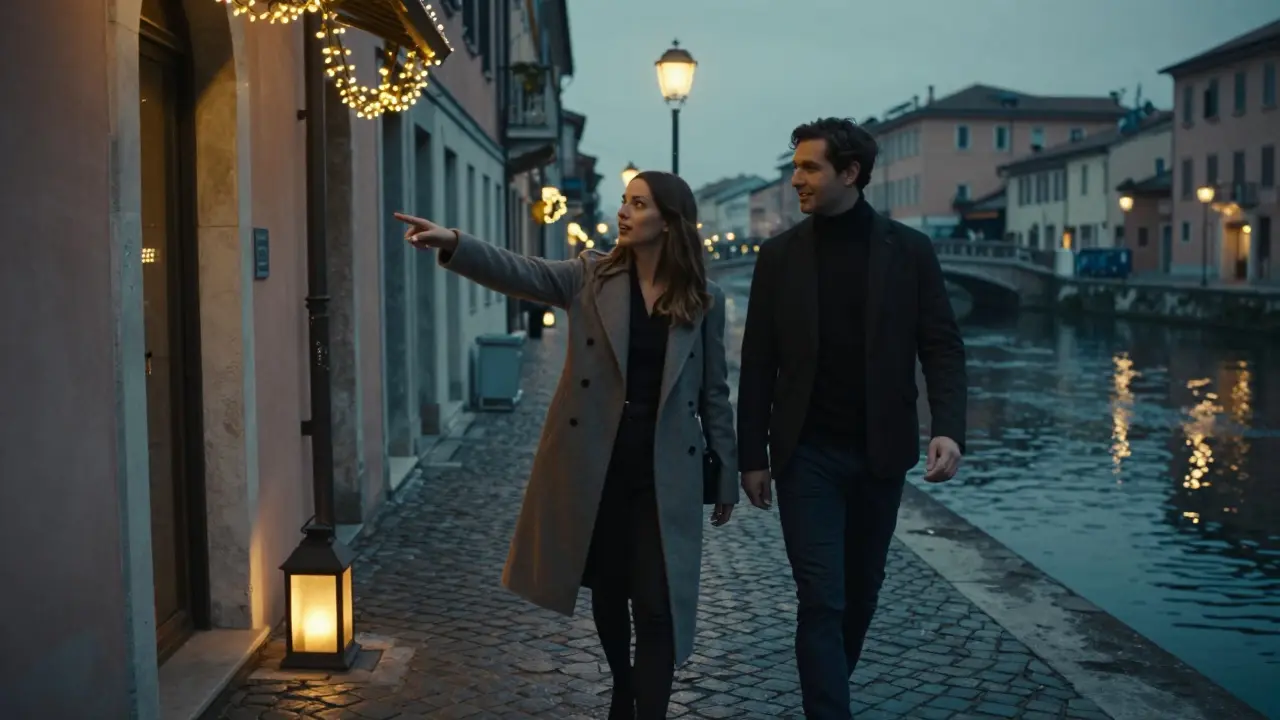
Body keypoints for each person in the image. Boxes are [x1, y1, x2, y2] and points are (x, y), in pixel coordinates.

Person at [395, 169, 739, 720]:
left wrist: (726, 474)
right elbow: (522, 271)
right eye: (624, 202)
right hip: (597, 461)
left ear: (669, 222)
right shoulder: (591, 277)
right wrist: (456, 243)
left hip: (666, 468)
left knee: (657, 604)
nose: (624, 212)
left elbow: (714, 392)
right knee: (610, 587)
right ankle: (622, 687)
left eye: (639, 204)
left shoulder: (704, 299)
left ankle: (643, 709)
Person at [736, 117, 968, 719]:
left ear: (850, 173)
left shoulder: (909, 251)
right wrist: (752, 456)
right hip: (805, 454)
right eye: (795, 168)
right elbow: (758, 362)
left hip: (879, 453)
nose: (796, 180)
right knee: (822, 597)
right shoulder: (779, 257)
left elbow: (940, 344)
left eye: (809, 168)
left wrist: (947, 426)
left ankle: (826, 694)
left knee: (860, 594)